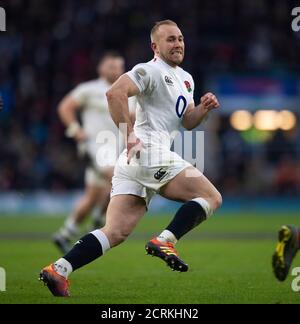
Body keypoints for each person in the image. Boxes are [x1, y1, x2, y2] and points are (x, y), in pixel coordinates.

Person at [39, 20, 222, 297]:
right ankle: (165, 240)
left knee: (115, 231)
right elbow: (115, 92)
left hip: (135, 161)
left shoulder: (186, 78)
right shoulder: (148, 69)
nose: (178, 44)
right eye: (170, 39)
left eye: (181, 38)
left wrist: (204, 109)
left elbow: (187, 121)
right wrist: (128, 134)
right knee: (211, 197)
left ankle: (59, 269)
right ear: (155, 46)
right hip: (148, 151)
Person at [53, 52, 135, 253]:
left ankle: (65, 232)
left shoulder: (126, 93)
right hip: (96, 147)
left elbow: (133, 117)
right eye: (111, 66)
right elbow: (65, 107)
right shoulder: (89, 89)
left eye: (119, 66)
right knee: (118, 179)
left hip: (117, 149)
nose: (115, 70)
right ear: (101, 68)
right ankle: (98, 222)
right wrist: (75, 130)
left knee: (93, 195)